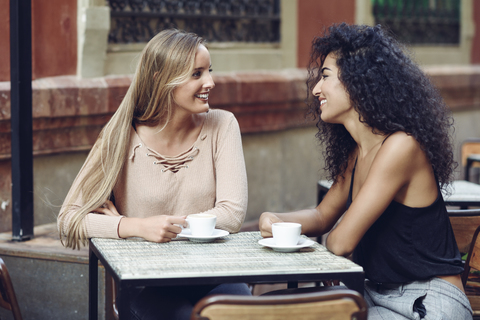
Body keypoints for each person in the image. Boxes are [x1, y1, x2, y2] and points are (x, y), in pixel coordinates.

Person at [259, 23, 473, 319]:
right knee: (279, 310)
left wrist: (328, 240)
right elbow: (322, 217)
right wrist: (275, 219)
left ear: (358, 81)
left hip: (428, 300)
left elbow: (340, 241)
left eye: (325, 76)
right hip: (375, 294)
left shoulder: (402, 147)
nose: (315, 89)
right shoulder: (356, 154)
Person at [58, 29, 251, 319]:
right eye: (196, 74)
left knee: (244, 315)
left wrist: (166, 229)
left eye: (209, 71)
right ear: (164, 81)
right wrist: (135, 227)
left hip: (215, 272)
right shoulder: (119, 137)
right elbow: (69, 219)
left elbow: (233, 214)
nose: (210, 82)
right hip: (146, 283)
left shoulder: (222, 125)